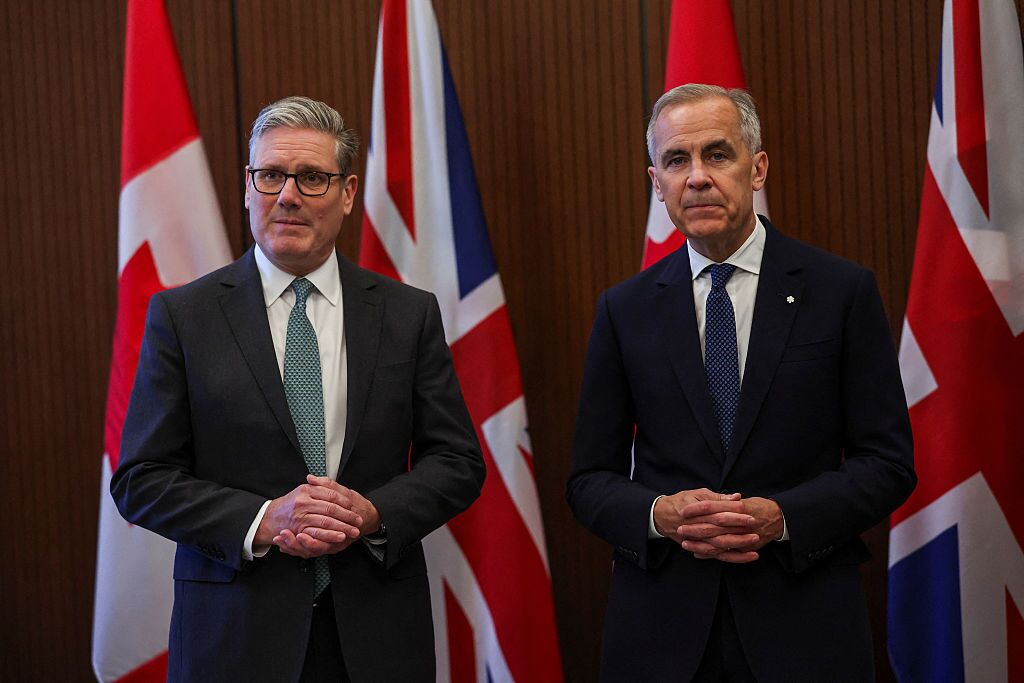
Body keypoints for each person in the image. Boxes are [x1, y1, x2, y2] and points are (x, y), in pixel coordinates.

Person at [111, 96, 485, 682]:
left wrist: (372, 512)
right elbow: (141, 479)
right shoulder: (184, 316)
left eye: (312, 178)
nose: (287, 195)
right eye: (271, 176)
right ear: (248, 186)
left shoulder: (407, 314)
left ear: (348, 193)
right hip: (234, 638)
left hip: (377, 637)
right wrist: (264, 519)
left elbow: (458, 461)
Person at [566, 84, 916, 682]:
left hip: (805, 623)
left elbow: (887, 463)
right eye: (677, 161)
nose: (697, 177)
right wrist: (659, 513)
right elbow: (588, 480)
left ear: (757, 169)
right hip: (663, 634)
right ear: (657, 183)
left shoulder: (839, 292)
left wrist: (783, 516)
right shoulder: (624, 310)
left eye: (717, 154)